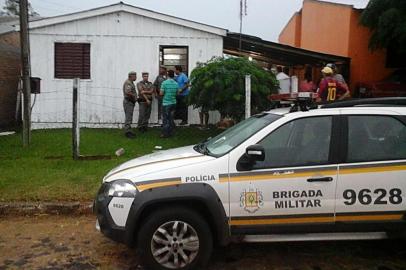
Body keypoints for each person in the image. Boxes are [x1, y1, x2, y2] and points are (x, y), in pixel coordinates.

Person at [160, 70, 179, 138]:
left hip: (166, 103)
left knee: (166, 119)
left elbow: (161, 93)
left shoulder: (164, 83)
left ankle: (165, 134)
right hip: (173, 103)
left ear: (167, 75)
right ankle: (171, 132)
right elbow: (177, 93)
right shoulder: (176, 83)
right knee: (171, 118)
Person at [122, 71, 137, 138]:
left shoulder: (131, 82)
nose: (136, 77)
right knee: (128, 117)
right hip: (128, 102)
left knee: (129, 117)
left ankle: (129, 131)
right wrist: (134, 96)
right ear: (131, 76)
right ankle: (127, 132)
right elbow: (128, 92)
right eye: (135, 76)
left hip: (130, 102)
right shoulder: (128, 83)